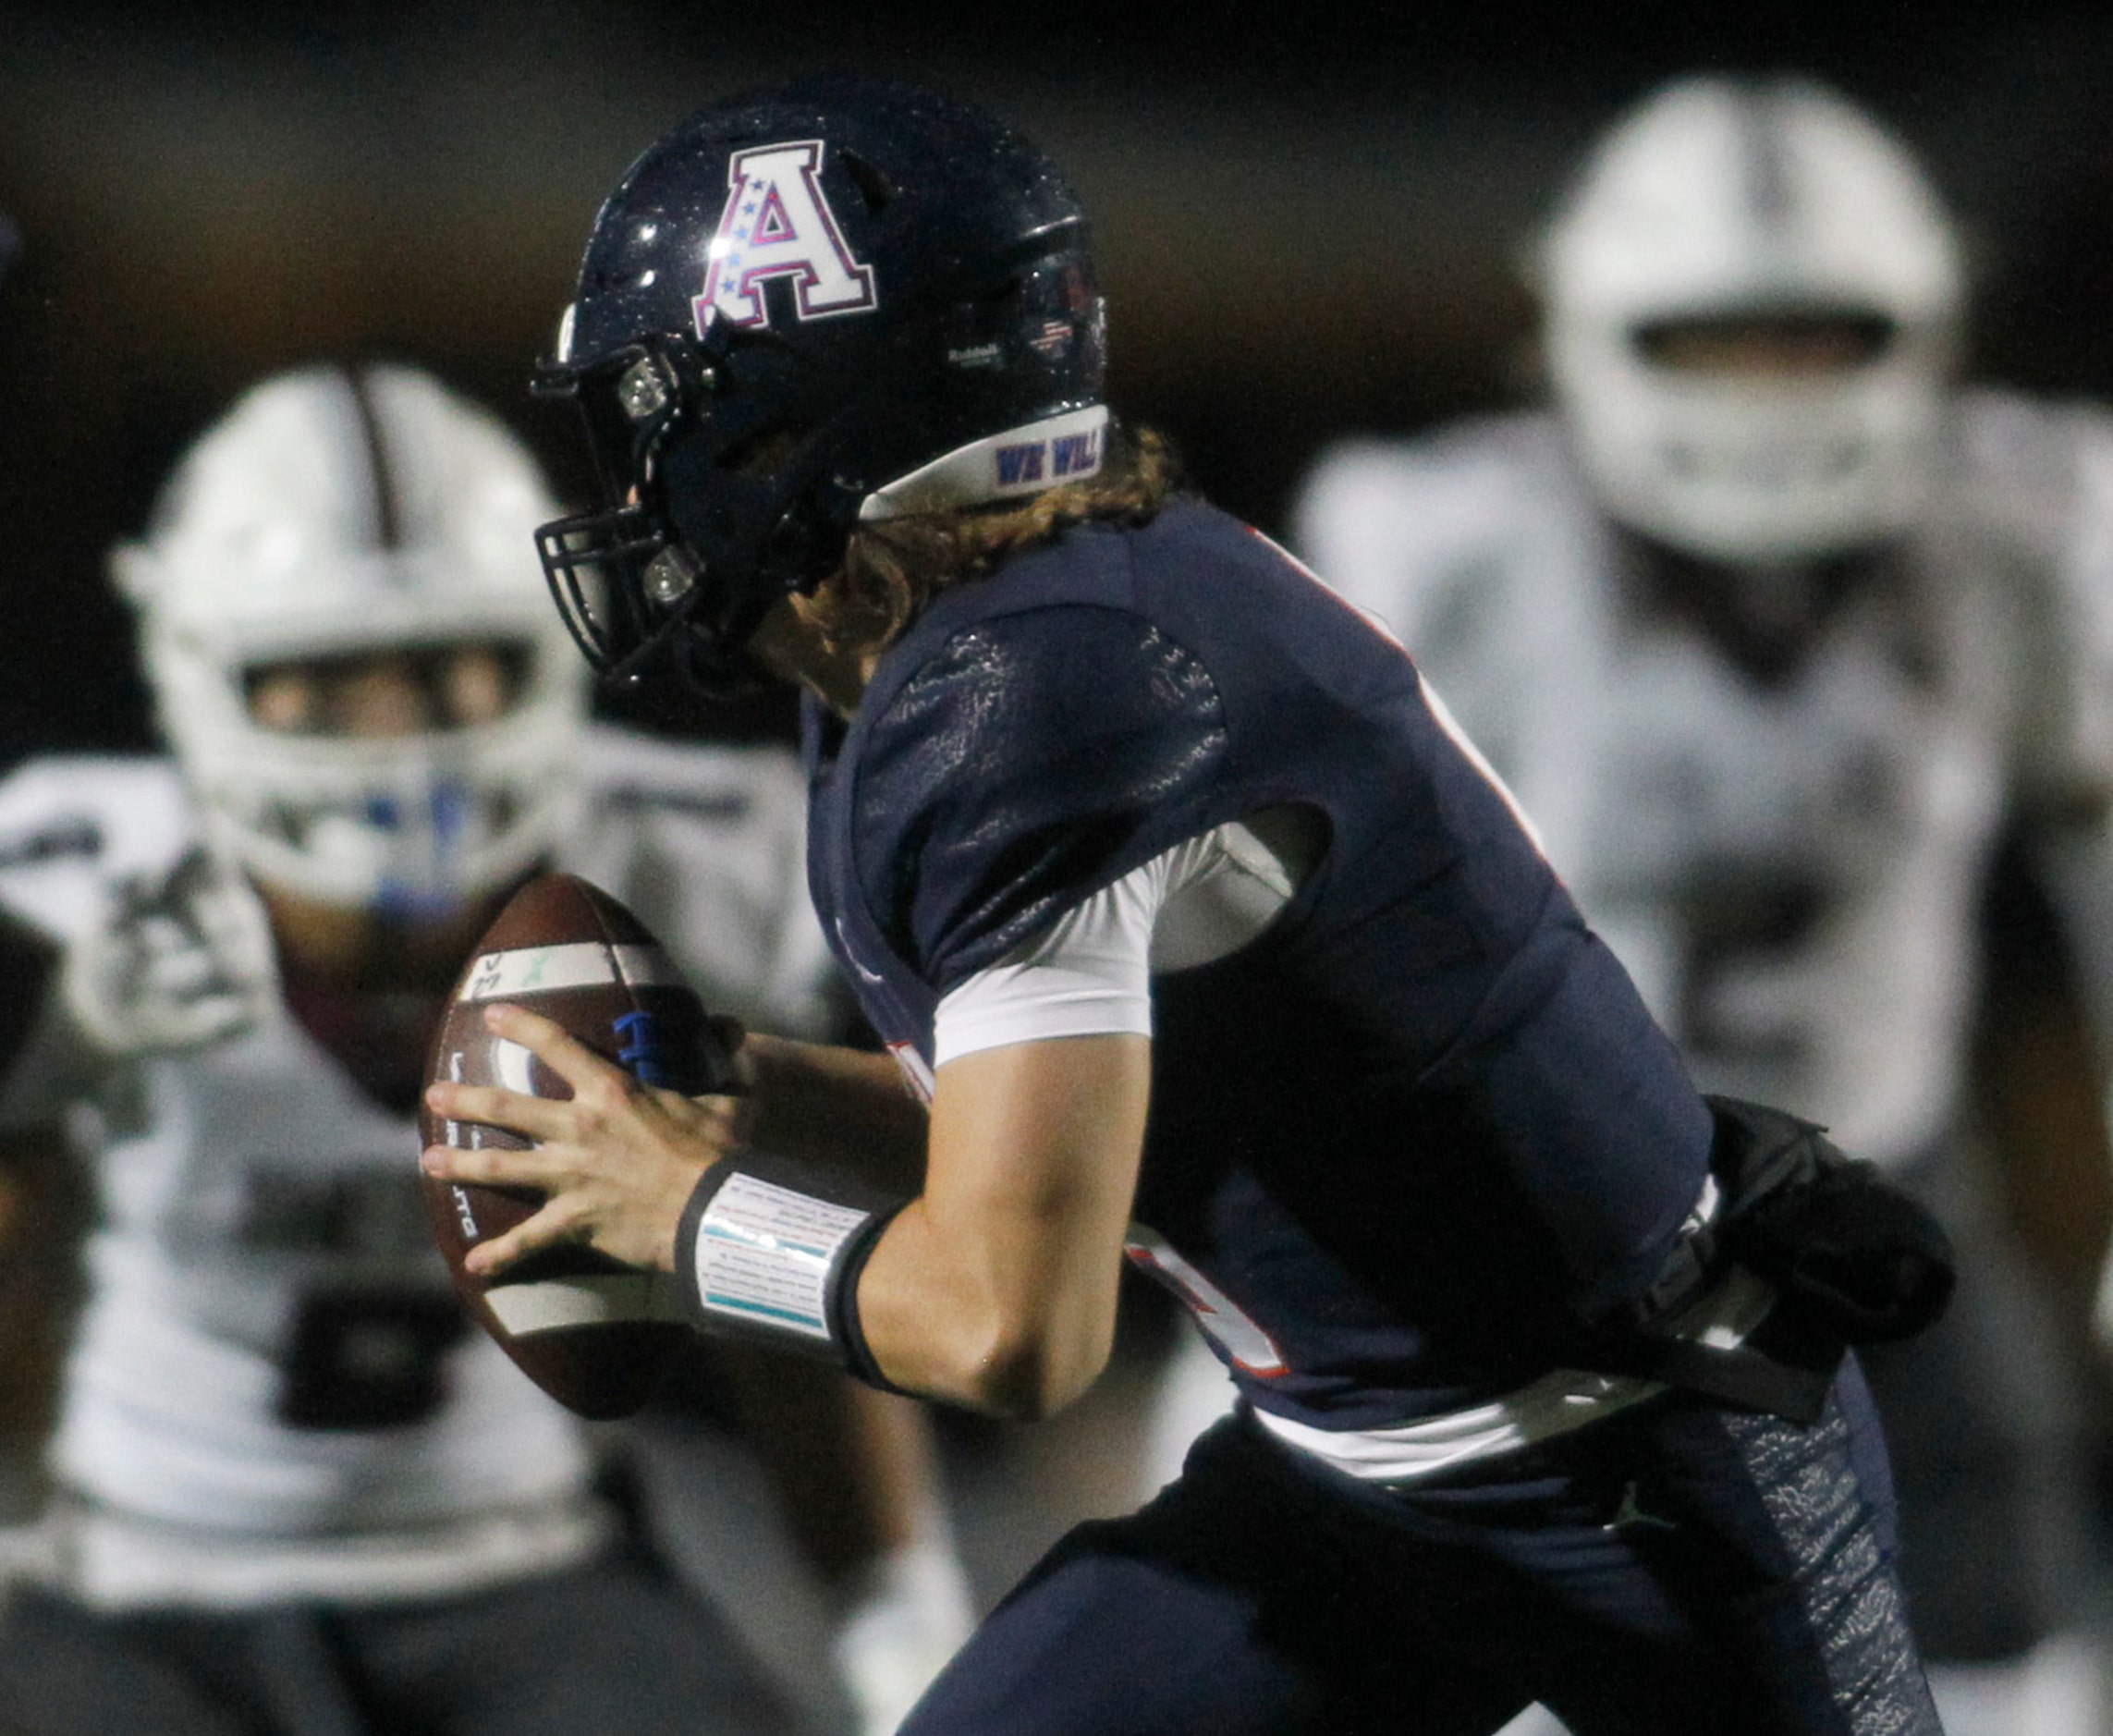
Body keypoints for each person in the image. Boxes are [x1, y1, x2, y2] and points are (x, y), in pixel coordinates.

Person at [421, 75, 1950, 1735]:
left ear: (793, 426)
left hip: (1637, 1467)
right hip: (1353, 1480)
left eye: (670, 416)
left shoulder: (1029, 701)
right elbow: (1064, 1156)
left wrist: (692, 1214)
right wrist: (764, 1096)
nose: (642, 481)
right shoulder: (969, 632)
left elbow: (1013, 1324)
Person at [1289, 74, 2113, 1736]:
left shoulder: (2032, 524)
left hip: (1885, 1212)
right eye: (1716, 341)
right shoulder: (1440, 539)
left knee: (1996, 1660)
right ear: (1585, 336)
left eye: (1813, 337)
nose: (1768, 388)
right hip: (1539, 1230)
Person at [0, 361, 970, 1736]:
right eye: (330, 682)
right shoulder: (69, 877)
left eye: (449, 665)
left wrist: (897, 1619)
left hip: (521, 1556)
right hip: (140, 1573)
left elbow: (800, 1287)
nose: (399, 734)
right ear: (200, 669)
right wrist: (59, 1043)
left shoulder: (682, 859)